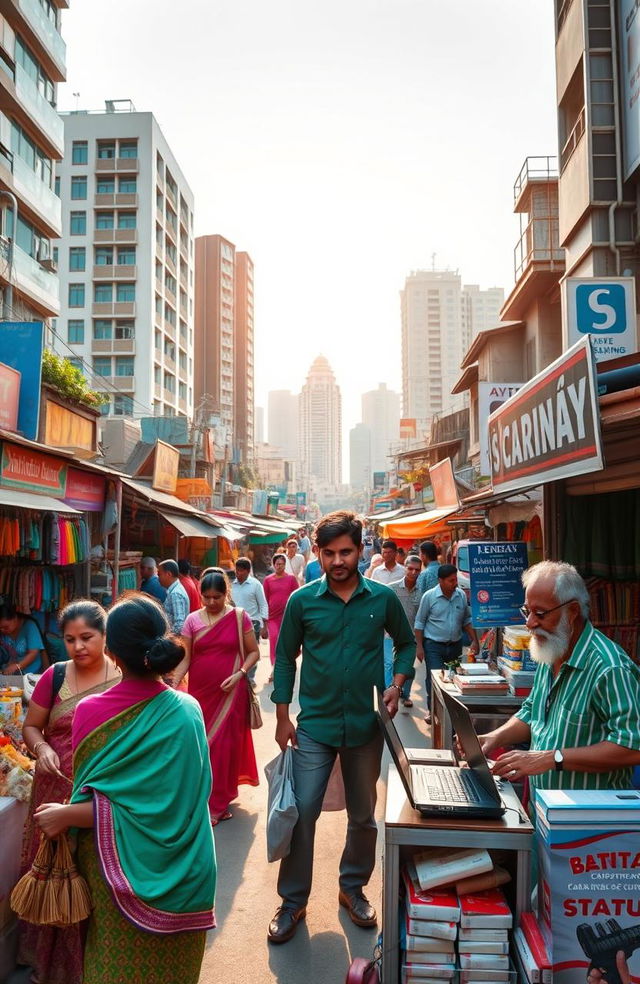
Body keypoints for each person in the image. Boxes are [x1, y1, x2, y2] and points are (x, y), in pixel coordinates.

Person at [34, 595, 216, 984]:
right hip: (189, 870)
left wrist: (65, 814)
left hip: (113, 869)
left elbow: (93, 804)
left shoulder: (90, 711)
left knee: (110, 968)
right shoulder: (188, 710)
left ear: (112, 653)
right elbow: (190, 797)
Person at [268, 511, 416, 944]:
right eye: (329, 553)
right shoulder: (303, 601)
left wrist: (398, 683)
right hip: (313, 726)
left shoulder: (382, 599)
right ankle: (293, 902)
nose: (338, 560)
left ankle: (353, 889)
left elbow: (406, 644)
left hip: (367, 726)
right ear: (317, 553)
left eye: (346, 552)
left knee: (364, 816)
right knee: (302, 814)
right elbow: (283, 658)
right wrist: (281, 716)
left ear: (360, 550)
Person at [19, 600, 120, 984]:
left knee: (93, 876)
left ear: (105, 636)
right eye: (70, 639)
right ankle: (47, 963)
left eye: (87, 638)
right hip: (54, 786)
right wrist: (42, 747)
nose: (78, 647)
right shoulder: (54, 675)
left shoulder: (124, 675)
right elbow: (32, 727)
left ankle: (90, 964)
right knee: (52, 875)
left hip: (101, 793)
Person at [481, 561, 640, 791]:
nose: (530, 623)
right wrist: (494, 737)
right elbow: (532, 712)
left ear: (572, 611)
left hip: (591, 821)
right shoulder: (552, 650)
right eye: (527, 611)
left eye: (541, 614)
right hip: (545, 811)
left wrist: (551, 759)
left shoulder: (610, 668)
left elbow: (632, 746)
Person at [176, 571, 260, 824]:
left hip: (231, 693)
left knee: (224, 748)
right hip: (200, 694)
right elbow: (186, 657)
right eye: (206, 597)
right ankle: (203, 797)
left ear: (227, 594)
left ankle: (218, 804)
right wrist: (171, 682)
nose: (211, 602)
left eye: (217, 597)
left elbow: (254, 652)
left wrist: (240, 674)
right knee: (202, 747)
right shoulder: (192, 620)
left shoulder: (238, 617)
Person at [414, 564, 480, 724]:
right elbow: (419, 622)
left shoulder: (461, 596)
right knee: (435, 678)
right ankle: (432, 711)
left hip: (454, 646)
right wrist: (420, 646)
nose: (455, 583)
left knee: (453, 678)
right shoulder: (429, 597)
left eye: (455, 579)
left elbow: (466, 620)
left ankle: (450, 712)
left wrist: (475, 640)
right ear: (440, 581)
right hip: (433, 646)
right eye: (451, 580)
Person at [385, 555, 423, 707]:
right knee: (389, 663)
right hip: (389, 633)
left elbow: (422, 616)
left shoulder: (421, 592)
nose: (413, 572)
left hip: (411, 636)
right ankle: (388, 692)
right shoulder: (391, 589)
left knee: (407, 666)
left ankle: (405, 694)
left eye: (417, 570)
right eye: (410, 569)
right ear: (404, 568)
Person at [230, 558, 269, 687]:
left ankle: (250, 678)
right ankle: (239, 675)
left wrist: (264, 626)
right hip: (235, 622)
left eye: (240, 570)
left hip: (253, 623)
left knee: (251, 651)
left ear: (247, 571)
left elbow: (263, 605)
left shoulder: (256, 585)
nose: (237, 573)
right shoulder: (231, 585)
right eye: (236, 570)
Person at [263, 553, 299, 680]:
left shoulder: (291, 579)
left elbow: (296, 598)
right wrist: (264, 620)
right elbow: (265, 600)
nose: (280, 566)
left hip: (287, 616)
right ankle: (274, 668)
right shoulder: (268, 580)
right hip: (272, 616)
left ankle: (285, 666)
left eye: (282, 564)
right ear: (273, 565)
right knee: (274, 640)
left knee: (286, 642)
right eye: (277, 564)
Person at [0, 602, 45, 675]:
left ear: (15, 618)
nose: (2, 630)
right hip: (11, 672)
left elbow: (33, 653)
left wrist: (17, 666)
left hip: (31, 674)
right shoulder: (3, 633)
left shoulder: (30, 626)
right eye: (0, 628)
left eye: (5, 627)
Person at [158, 559, 190, 634]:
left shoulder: (175, 593)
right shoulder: (175, 590)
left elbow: (179, 625)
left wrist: (166, 638)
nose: (158, 578)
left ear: (168, 574)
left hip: (174, 641)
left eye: (159, 574)